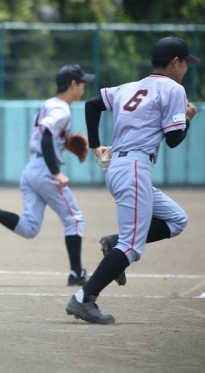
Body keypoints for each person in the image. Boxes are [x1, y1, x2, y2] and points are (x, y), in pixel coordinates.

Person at [65, 36, 198, 324]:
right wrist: (187, 118)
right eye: (185, 62)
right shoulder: (174, 88)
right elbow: (174, 139)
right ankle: (84, 299)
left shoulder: (128, 87)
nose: (186, 68)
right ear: (175, 62)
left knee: (176, 219)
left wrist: (95, 145)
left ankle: (115, 242)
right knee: (132, 247)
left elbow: (92, 105)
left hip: (119, 167)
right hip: (135, 168)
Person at [0, 64, 95, 286]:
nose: (83, 88)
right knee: (74, 219)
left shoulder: (49, 104)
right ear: (73, 84)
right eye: (82, 84)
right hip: (45, 170)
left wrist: (63, 143)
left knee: (29, 228)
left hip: (32, 170)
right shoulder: (61, 110)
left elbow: (47, 136)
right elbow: (46, 136)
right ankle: (76, 274)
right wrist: (56, 172)